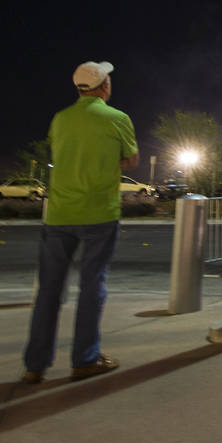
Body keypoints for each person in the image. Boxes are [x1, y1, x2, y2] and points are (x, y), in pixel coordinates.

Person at [22, 61, 139, 383]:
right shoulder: (118, 119)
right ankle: (84, 359)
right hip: (99, 213)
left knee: (49, 290)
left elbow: (62, 152)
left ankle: (35, 364)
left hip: (59, 214)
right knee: (92, 287)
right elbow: (131, 158)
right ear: (103, 86)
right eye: (109, 80)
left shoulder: (60, 119)